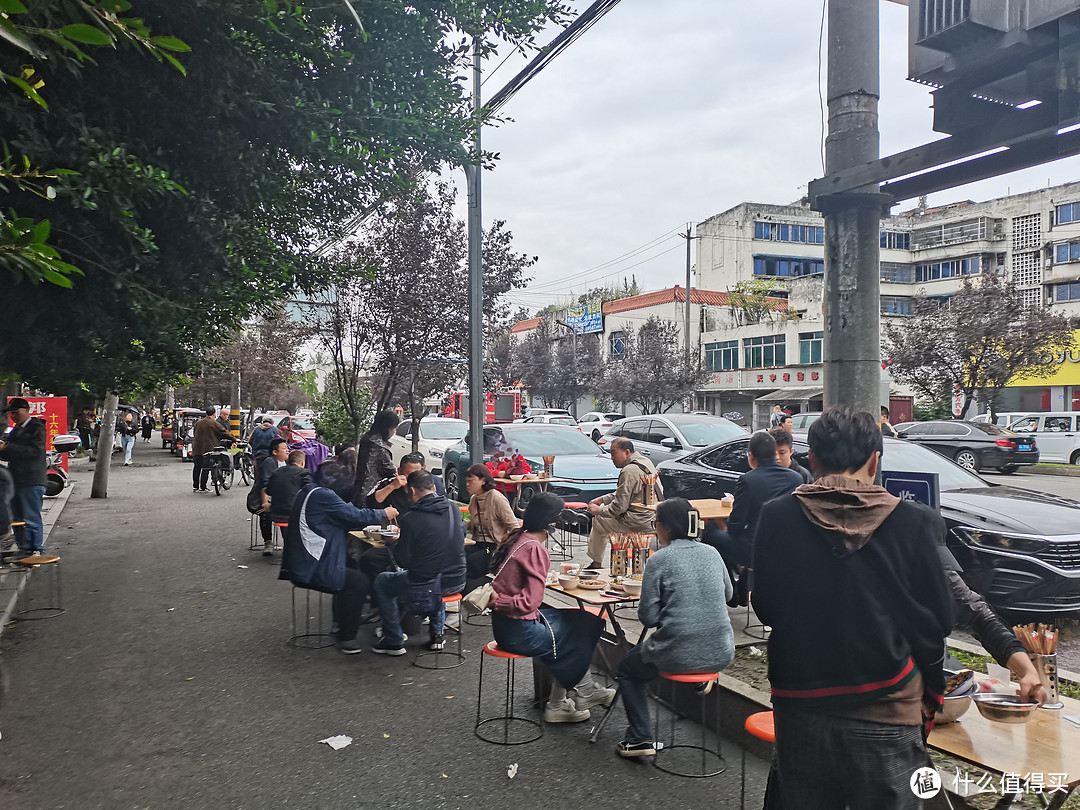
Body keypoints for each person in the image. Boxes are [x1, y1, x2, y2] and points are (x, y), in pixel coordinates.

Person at [753, 407, 953, 809]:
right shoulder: (914, 522)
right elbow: (939, 619)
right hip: (888, 705)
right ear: (875, 460)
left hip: (799, 701)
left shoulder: (776, 515)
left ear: (812, 459)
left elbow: (767, 607)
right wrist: (930, 684)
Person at [615, 498, 735, 758]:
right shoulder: (713, 552)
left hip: (677, 651)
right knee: (687, 643)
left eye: (655, 523)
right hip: (722, 651)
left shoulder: (660, 559)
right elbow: (728, 594)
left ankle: (639, 738)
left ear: (666, 527)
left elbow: (647, 617)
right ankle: (701, 676)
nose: (655, 528)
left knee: (628, 669)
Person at [489, 492, 615, 723]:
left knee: (585, 621)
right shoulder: (535, 549)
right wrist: (498, 601)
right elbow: (531, 602)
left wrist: (498, 601)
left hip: (505, 626)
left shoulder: (519, 538)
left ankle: (561, 702)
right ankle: (578, 694)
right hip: (518, 633)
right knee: (580, 631)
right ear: (553, 523)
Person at [281, 464, 398, 654]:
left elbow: (342, 513)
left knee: (352, 565)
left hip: (305, 559)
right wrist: (384, 513)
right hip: (309, 566)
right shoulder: (323, 496)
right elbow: (355, 516)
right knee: (358, 583)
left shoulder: (310, 490)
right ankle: (347, 637)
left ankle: (340, 622)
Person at [701, 431, 802, 606]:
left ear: (751, 456)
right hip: (788, 548)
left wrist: (726, 525)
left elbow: (737, 524)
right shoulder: (796, 478)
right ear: (774, 454)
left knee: (711, 536)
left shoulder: (748, 480)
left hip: (756, 548)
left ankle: (731, 592)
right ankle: (740, 587)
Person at [371, 470, 466, 655]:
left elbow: (403, 560)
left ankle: (394, 640)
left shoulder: (411, 519)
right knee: (438, 573)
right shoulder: (453, 509)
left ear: (412, 491)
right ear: (433, 487)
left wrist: (393, 544)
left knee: (383, 581)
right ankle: (437, 635)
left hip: (425, 586)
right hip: (458, 580)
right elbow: (459, 537)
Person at [584, 437, 656, 570]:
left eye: (613, 453)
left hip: (638, 521)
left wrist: (598, 510)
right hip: (653, 517)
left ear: (627, 452)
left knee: (599, 520)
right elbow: (626, 493)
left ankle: (596, 564)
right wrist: (602, 499)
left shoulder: (628, 471)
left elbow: (618, 508)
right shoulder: (646, 462)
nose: (611, 457)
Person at [0, 398, 47, 556]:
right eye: (11, 413)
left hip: (32, 479)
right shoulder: (15, 430)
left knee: (31, 517)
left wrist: (8, 447)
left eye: (16, 412)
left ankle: (35, 550)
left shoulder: (37, 427)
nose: (13, 416)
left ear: (27, 409)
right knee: (17, 518)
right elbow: (8, 455)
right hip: (16, 480)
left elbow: (35, 452)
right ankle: (23, 549)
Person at [463, 463, 519, 580]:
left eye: (471, 481)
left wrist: (507, 548)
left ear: (483, 481)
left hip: (495, 547)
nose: (467, 485)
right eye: (466, 481)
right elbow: (474, 523)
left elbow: (514, 526)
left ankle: (473, 589)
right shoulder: (474, 499)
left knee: (471, 562)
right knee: (458, 555)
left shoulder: (496, 498)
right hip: (479, 544)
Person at [351, 410, 399, 510]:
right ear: (386, 427)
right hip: (370, 493)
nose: (395, 431)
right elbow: (390, 471)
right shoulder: (377, 445)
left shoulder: (368, 438)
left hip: (358, 490)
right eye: (394, 427)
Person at [256, 438, 289, 554]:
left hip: (286, 499)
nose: (287, 451)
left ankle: (288, 543)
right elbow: (265, 484)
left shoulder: (289, 463)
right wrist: (265, 503)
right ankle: (268, 542)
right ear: (275, 452)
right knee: (265, 513)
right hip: (271, 498)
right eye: (284, 448)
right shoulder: (270, 462)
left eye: (287, 448)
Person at [191, 406, 234, 493]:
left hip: (197, 448)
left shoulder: (198, 422)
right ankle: (203, 487)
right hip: (207, 448)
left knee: (197, 467)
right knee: (205, 468)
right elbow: (224, 432)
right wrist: (235, 439)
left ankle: (195, 486)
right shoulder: (213, 423)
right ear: (214, 414)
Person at [266, 450, 313, 526]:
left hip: (276, 514)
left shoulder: (277, 472)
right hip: (295, 514)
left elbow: (268, 491)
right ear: (302, 462)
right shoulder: (304, 473)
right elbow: (311, 492)